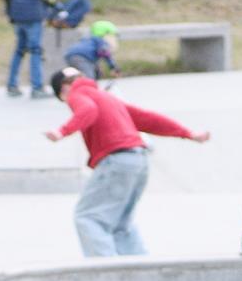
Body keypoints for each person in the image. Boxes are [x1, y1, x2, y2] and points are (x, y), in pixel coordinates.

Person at [45, 67, 210, 257]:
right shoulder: (107, 97)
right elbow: (147, 119)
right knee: (121, 224)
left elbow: (88, 110)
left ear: (63, 91)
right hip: (139, 160)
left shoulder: (77, 93)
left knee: (89, 217)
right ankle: (140, 271)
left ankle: (108, 275)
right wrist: (188, 133)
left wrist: (62, 131)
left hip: (116, 161)